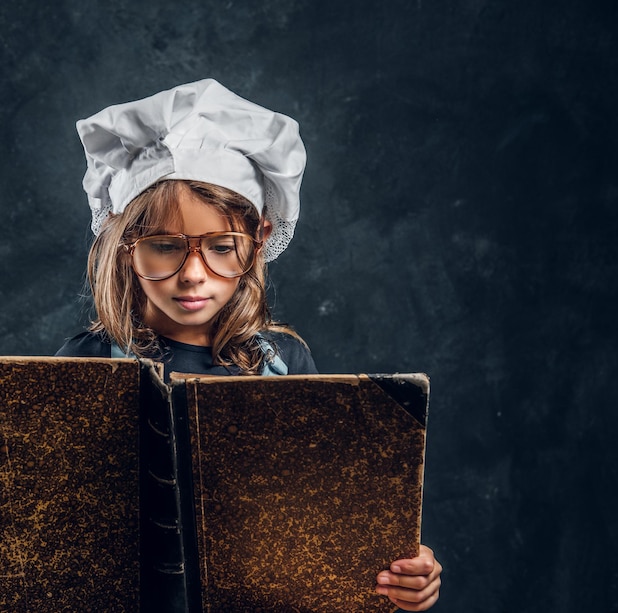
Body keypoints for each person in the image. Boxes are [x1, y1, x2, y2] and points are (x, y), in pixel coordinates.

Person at [56, 78, 442, 610]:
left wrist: (402, 573)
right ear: (125, 247)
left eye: (221, 247)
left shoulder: (285, 364)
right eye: (164, 247)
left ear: (258, 240)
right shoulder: (87, 363)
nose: (194, 275)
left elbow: (326, 522)